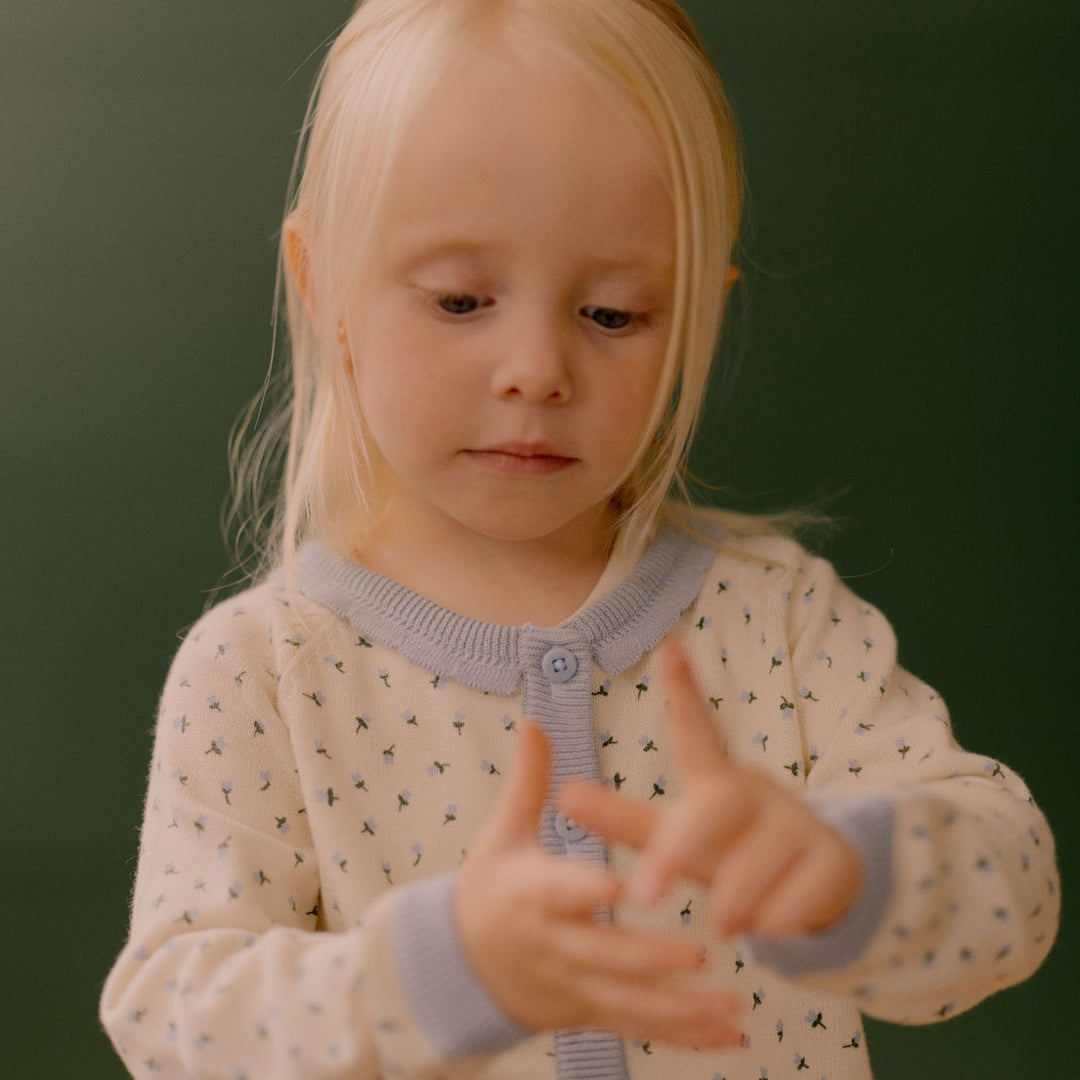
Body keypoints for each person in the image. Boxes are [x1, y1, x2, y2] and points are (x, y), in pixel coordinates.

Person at [99, 1, 1059, 1077]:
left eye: (613, 314)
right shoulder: (266, 671)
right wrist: (441, 970)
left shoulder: (779, 620)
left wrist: (848, 874)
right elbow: (175, 1021)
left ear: (698, 316)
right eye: (462, 300)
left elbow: (1012, 893)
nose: (536, 369)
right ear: (324, 290)